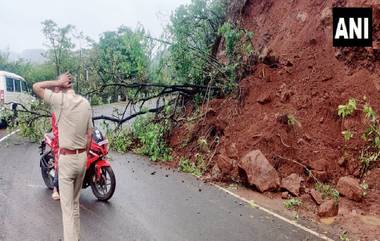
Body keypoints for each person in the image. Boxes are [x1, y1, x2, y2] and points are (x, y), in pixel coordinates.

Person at [33, 73, 93, 241]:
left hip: (67, 160)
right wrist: (84, 157)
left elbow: (36, 86)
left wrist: (56, 82)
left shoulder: (59, 101)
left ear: (62, 85)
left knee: (66, 208)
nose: (54, 88)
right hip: (82, 158)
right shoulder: (86, 103)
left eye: (57, 85)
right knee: (74, 204)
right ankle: (76, 237)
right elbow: (89, 136)